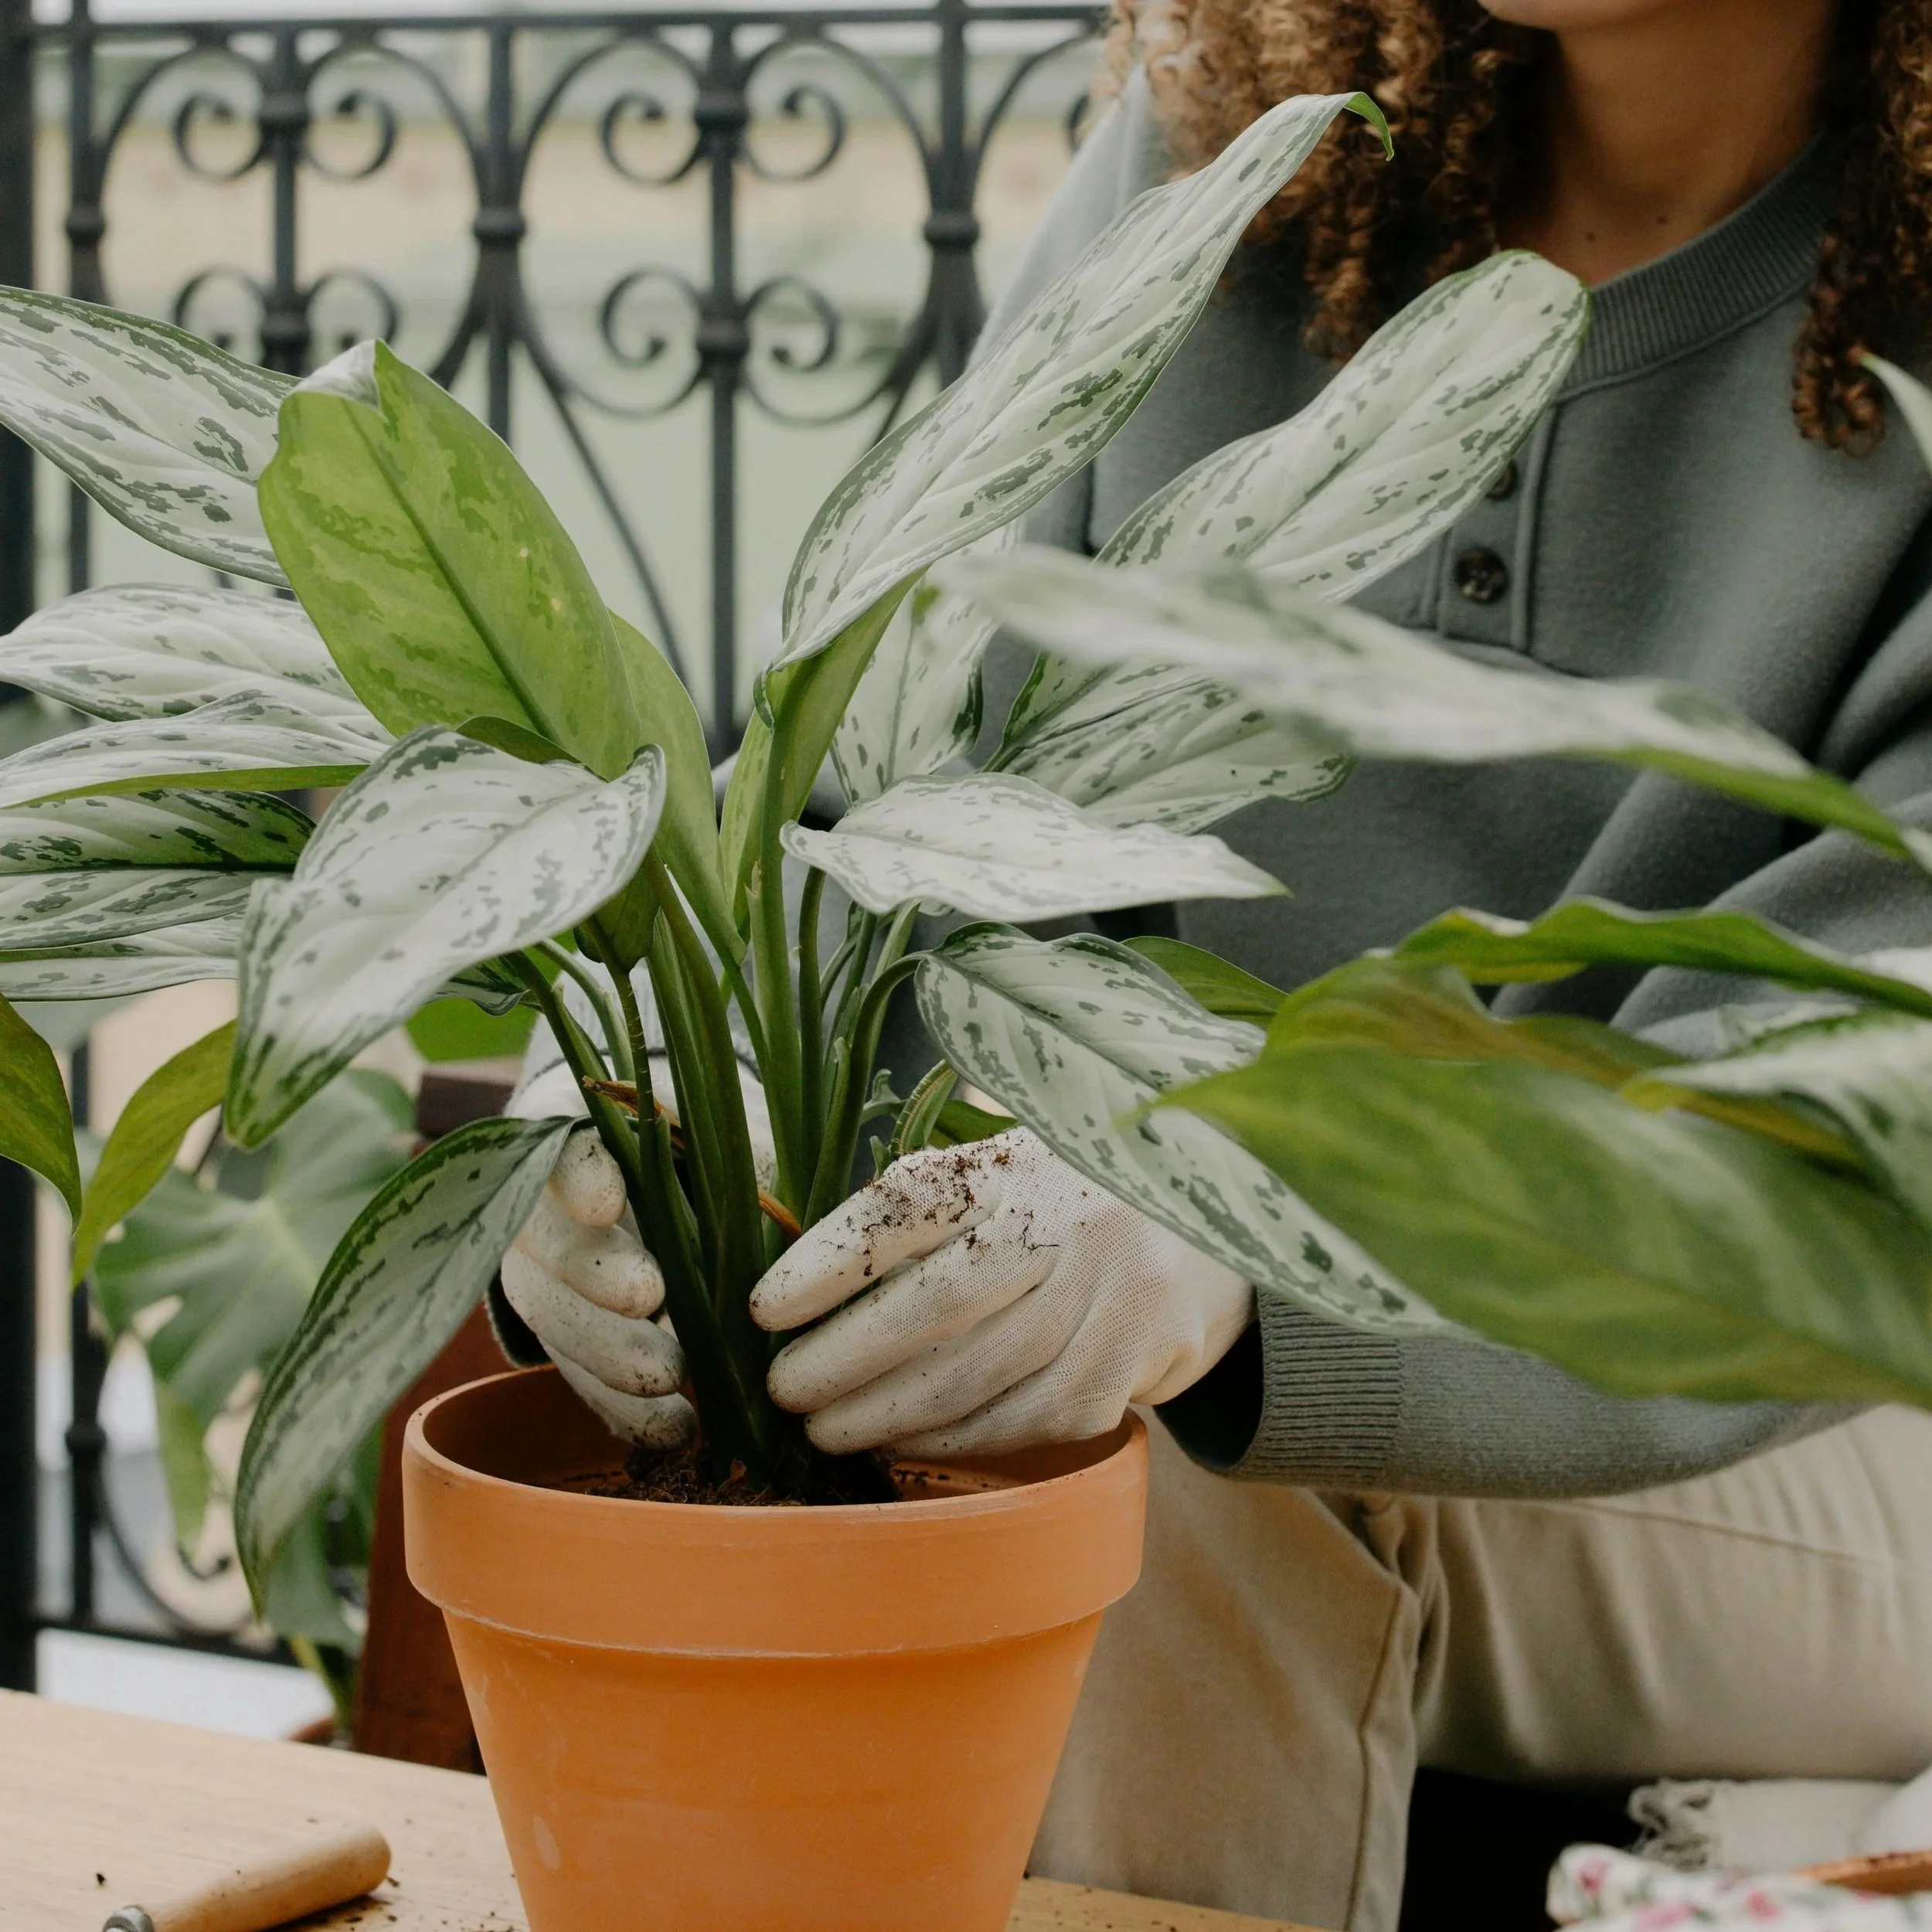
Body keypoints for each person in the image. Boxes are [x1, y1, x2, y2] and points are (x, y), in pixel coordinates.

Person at [504, 2, 1932, 1927]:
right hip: (1191, 1291)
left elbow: (1844, 1144)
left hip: (1840, 1432)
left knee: (1139, 1478)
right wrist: (615, 1137)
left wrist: (1236, 1259)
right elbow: (874, 762)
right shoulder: (1237, 148)